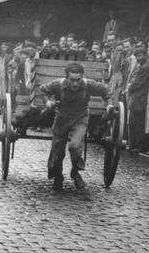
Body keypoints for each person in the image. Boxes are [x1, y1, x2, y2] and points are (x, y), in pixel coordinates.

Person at [38, 62, 115, 191]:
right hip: (62, 118)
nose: (75, 83)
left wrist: (109, 104)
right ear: (66, 77)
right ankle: (58, 176)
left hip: (80, 118)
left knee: (75, 145)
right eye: (72, 80)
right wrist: (47, 101)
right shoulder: (57, 84)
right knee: (57, 150)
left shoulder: (88, 85)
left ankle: (75, 172)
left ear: (82, 77)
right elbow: (43, 90)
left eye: (78, 80)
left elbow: (106, 91)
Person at [125, 47, 149, 152]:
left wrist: (129, 87)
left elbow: (139, 82)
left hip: (140, 99)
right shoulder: (142, 66)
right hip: (137, 98)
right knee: (133, 122)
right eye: (136, 56)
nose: (138, 58)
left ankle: (139, 146)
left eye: (140, 56)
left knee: (138, 123)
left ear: (145, 55)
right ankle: (134, 144)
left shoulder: (146, 67)